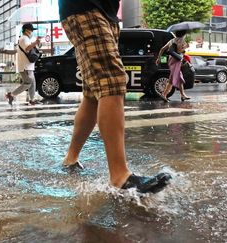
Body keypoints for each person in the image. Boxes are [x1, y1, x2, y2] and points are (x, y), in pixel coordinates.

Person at [58, 0, 171, 193]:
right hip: (86, 7)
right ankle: (119, 176)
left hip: (105, 12)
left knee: (93, 93)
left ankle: (71, 158)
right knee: (112, 80)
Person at [5, 24, 41, 105]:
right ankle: (11, 94)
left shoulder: (25, 39)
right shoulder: (24, 39)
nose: (32, 32)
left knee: (32, 84)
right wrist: (35, 42)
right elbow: (27, 48)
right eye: (31, 30)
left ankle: (32, 99)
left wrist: (36, 43)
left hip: (28, 66)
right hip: (26, 66)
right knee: (28, 83)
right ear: (26, 30)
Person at [156, 30, 191, 102]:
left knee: (177, 78)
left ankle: (182, 95)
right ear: (183, 34)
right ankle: (165, 94)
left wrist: (158, 58)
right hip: (176, 60)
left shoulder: (171, 40)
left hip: (171, 60)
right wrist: (185, 47)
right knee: (175, 77)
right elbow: (179, 51)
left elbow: (162, 49)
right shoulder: (181, 41)